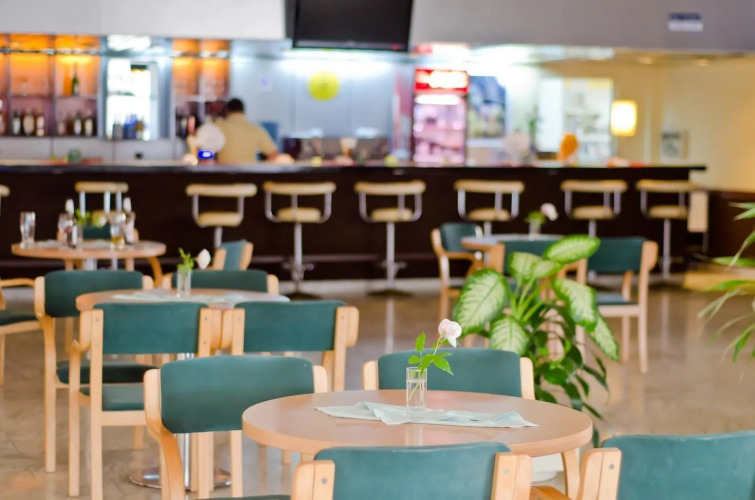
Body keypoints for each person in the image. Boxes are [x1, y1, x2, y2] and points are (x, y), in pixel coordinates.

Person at [214, 98, 279, 163]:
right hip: (249, 169)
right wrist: (261, 165)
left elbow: (208, 151)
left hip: (223, 168)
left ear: (227, 111)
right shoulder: (256, 129)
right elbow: (273, 153)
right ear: (243, 112)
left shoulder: (218, 126)